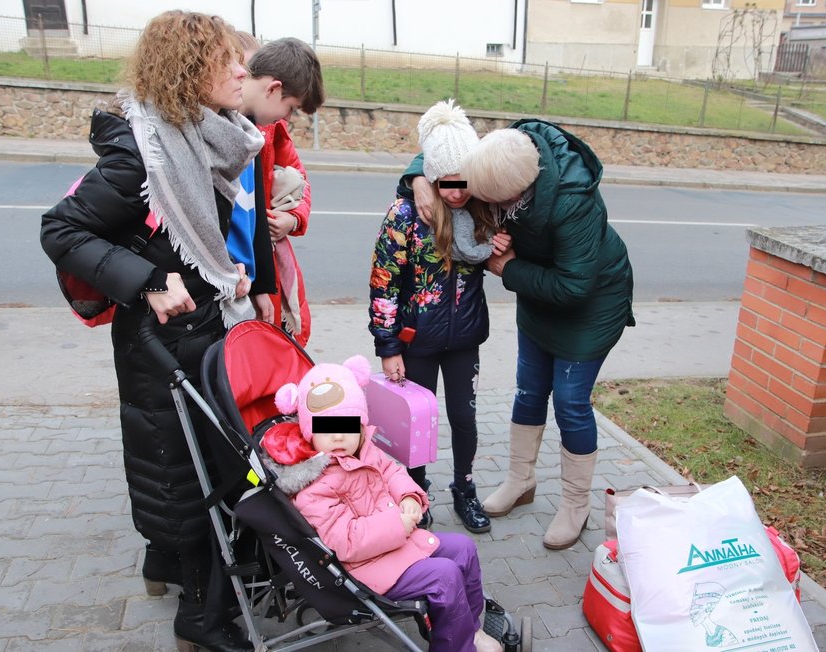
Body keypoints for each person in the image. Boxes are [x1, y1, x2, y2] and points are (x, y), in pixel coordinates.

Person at [41, 11, 268, 651]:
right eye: (226, 59)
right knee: (187, 474)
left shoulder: (202, 136)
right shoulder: (146, 149)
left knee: (201, 466)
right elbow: (61, 230)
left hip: (200, 328)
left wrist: (221, 279)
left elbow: (190, 240)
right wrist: (147, 280)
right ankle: (201, 617)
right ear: (187, 69)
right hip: (159, 342)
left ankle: (175, 572)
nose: (240, 69)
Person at [461, 120, 635, 551]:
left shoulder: (576, 203)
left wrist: (510, 269)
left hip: (590, 302)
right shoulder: (507, 153)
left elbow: (575, 287)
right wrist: (419, 182)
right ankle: (521, 481)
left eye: (492, 202)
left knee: (571, 403)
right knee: (528, 391)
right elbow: (439, 161)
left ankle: (576, 505)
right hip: (541, 291)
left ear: (516, 193)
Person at [264, 355, 504, 652]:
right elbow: (345, 541)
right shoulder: (312, 485)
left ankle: (468, 628)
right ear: (310, 433)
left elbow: (392, 472)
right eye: (327, 429)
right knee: (445, 576)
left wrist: (408, 497)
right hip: (365, 566)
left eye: (347, 426)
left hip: (395, 543)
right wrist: (397, 525)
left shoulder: (364, 450)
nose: (339, 435)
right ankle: (455, 646)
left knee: (464, 549)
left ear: (361, 426)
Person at [369, 99, 509, 534]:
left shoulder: (482, 213)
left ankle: (464, 490)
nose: (457, 191)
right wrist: (388, 347)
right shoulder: (407, 214)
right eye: (446, 182)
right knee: (416, 424)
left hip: (464, 340)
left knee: (465, 420)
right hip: (416, 345)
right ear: (428, 176)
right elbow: (383, 284)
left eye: (464, 180)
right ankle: (414, 492)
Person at [227, 34, 325, 346]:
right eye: (291, 109)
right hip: (237, 271)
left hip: (261, 259)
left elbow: (301, 180)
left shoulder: (270, 129)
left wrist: (294, 218)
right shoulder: (231, 127)